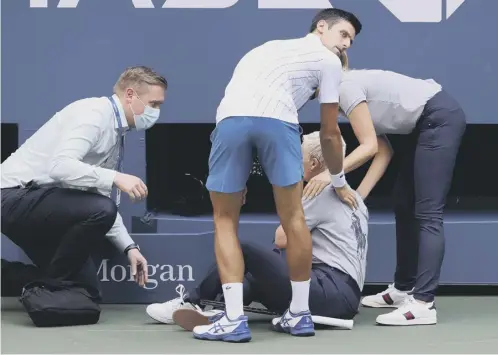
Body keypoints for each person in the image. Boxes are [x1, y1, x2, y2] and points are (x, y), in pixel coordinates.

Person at [197, 8, 362, 343]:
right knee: (294, 218)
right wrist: (339, 180)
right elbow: (330, 135)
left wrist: (238, 173)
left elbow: (244, 110)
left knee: (225, 220)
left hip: (230, 123)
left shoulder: (264, 48)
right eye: (343, 35)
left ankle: (232, 319)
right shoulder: (330, 62)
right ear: (320, 28)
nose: (346, 45)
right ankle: (299, 315)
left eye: (351, 41)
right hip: (278, 125)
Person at [145, 131, 394, 332]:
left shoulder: (319, 192)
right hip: (342, 297)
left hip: (328, 290)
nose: (295, 160)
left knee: (245, 250)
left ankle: (192, 301)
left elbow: (282, 238)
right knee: (252, 277)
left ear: (315, 164)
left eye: (300, 156)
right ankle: (218, 308)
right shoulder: (355, 198)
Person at [304, 62, 467, 326]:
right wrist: (357, 197)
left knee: (428, 212)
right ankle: (404, 288)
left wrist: (330, 176)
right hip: (423, 124)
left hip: (439, 118)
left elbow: (368, 147)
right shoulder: (343, 94)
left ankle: (424, 303)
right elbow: (383, 150)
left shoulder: (345, 88)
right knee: (404, 204)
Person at [1, 66, 168, 296]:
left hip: (40, 205)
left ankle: (44, 285)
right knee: (102, 209)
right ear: (130, 95)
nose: (157, 112)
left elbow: (96, 199)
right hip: (11, 195)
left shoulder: (116, 131)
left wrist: (129, 247)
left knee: (85, 290)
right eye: (154, 104)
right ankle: (53, 286)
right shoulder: (94, 114)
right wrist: (117, 177)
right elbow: (59, 167)